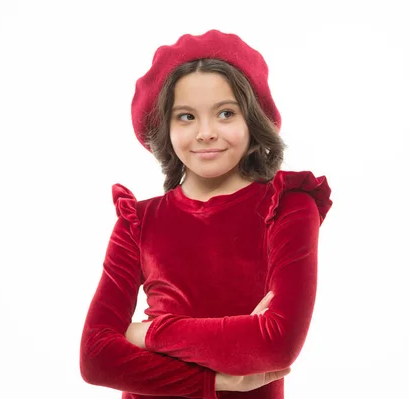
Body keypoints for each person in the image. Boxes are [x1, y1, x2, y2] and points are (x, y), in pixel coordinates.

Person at [79, 29, 333, 399]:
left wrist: (146, 333)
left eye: (225, 113)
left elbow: (275, 344)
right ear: (165, 127)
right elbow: (95, 358)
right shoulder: (139, 222)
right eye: (186, 117)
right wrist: (214, 380)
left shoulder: (288, 207)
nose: (206, 133)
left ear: (253, 119)